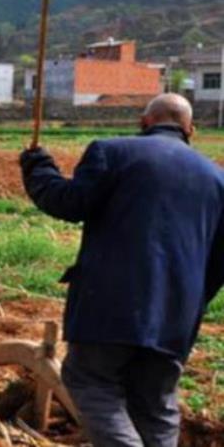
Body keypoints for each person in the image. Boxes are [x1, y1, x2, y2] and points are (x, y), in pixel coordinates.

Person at [20, 94, 224, 446]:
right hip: (176, 315)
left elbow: (68, 202)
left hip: (109, 304)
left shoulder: (111, 152)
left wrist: (38, 167)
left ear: (144, 122)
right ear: (192, 129)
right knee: (157, 406)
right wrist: (190, 302)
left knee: (90, 381)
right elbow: (219, 261)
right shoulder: (218, 179)